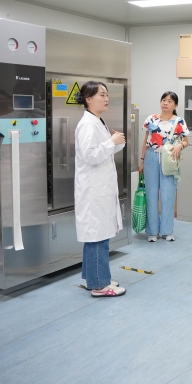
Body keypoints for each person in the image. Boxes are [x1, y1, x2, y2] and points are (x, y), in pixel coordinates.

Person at [74, 81, 126, 297]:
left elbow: (101, 151)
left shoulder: (97, 121)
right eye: (101, 95)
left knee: (96, 235)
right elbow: (90, 155)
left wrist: (115, 142)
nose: (106, 99)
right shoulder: (88, 124)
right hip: (93, 191)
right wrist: (111, 142)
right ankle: (100, 285)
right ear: (88, 99)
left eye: (107, 95)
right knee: (97, 236)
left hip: (99, 188)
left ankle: (93, 278)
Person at [139, 92, 190, 242]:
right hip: (151, 156)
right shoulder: (151, 119)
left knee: (168, 194)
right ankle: (152, 231)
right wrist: (142, 161)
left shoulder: (179, 121)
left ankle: (167, 231)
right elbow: (145, 141)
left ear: (175, 105)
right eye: (163, 100)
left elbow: (186, 141)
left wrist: (180, 146)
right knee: (151, 194)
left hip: (169, 157)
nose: (165, 103)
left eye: (169, 101)